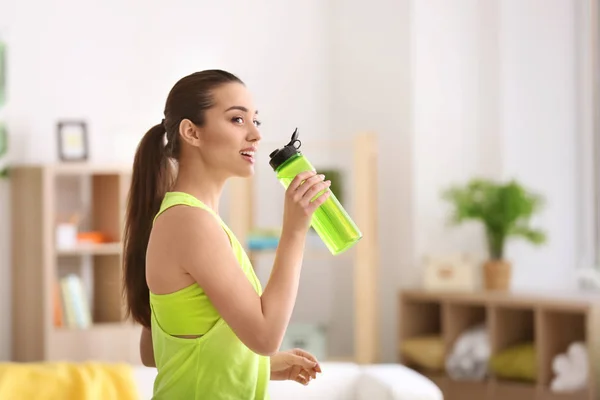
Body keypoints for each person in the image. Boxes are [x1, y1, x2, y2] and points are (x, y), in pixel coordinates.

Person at [121, 69, 331, 399]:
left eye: (255, 121)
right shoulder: (190, 223)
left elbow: (156, 352)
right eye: (237, 120)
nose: (256, 135)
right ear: (191, 132)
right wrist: (294, 230)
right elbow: (265, 337)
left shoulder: (187, 219)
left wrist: (262, 365)